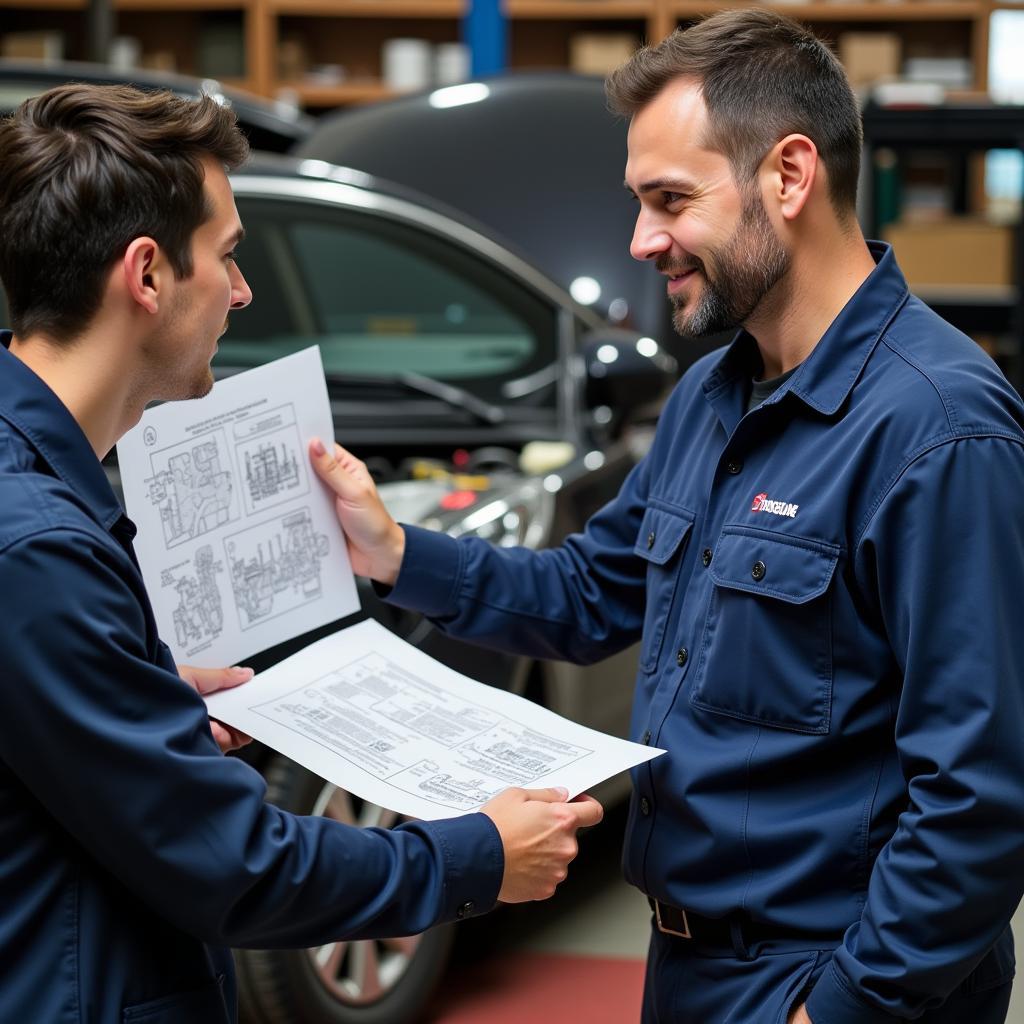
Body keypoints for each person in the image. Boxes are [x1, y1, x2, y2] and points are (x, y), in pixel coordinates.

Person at [307, 8, 1024, 1023]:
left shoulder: (939, 427)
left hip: (828, 980)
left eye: (670, 200)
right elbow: (594, 592)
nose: (642, 240)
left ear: (788, 175)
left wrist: (845, 1006)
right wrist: (393, 552)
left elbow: (980, 796)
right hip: (689, 963)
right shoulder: (711, 396)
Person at [0, 83, 603, 1023]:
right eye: (229, 257)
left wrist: (137, 701)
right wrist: (482, 853)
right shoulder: (35, 547)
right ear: (147, 275)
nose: (242, 293)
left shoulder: (30, 485)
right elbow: (234, 866)